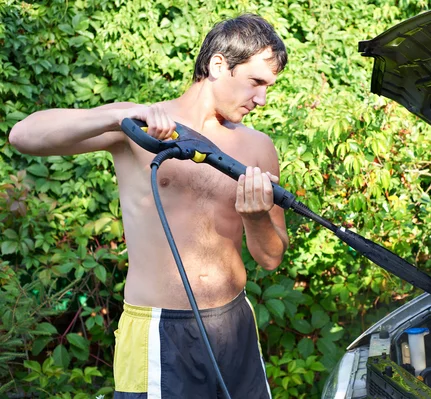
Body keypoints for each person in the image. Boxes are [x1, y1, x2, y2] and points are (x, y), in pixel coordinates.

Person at [9, 14, 289, 399]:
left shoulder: (258, 147)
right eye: (256, 82)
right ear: (218, 64)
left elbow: (271, 258)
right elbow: (24, 135)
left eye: (269, 87)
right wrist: (117, 115)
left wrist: (256, 218)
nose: (262, 99)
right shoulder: (139, 126)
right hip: (159, 331)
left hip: (234, 322)